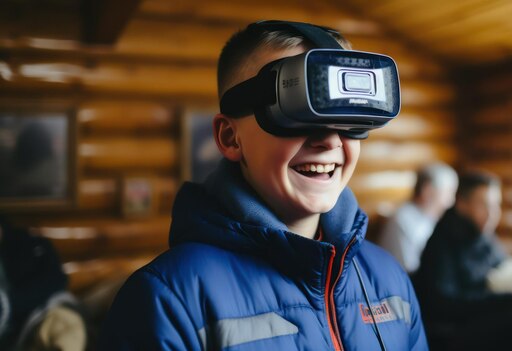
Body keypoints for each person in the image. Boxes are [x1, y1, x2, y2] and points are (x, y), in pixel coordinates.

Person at [100, 20, 428, 350]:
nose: (330, 141)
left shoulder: (389, 280)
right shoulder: (167, 301)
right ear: (230, 138)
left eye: (348, 118)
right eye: (297, 114)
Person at [412, 171, 512, 351]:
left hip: (483, 319)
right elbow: (444, 306)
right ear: (462, 204)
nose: (492, 213)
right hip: (449, 332)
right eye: (483, 205)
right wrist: (511, 300)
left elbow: (503, 270)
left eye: (495, 205)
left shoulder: (483, 237)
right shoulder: (441, 244)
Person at [0, 217, 86, 351]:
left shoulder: (29, 244)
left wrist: (10, 303)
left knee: (65, 324)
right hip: (12, 335)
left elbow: (57, 279)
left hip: (38, 314)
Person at [378, 163, 457, 273]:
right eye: (448, 193)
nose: (451, 202)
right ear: (427, 191)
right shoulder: (402, 219)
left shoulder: (432, 218)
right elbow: (408, 269)